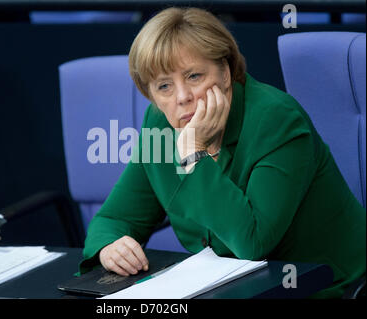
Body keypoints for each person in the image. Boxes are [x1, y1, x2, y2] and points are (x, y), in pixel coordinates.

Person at [78, 7, 366, 298]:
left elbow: (253, 242)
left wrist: (193, 154)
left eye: (193, 76)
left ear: (226, 73)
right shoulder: (161, 125)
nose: (182, 97)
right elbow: (113, 219)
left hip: (324, 286)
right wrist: (109, 247)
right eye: (164, 86)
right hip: (235, 289)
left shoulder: (277, 120)